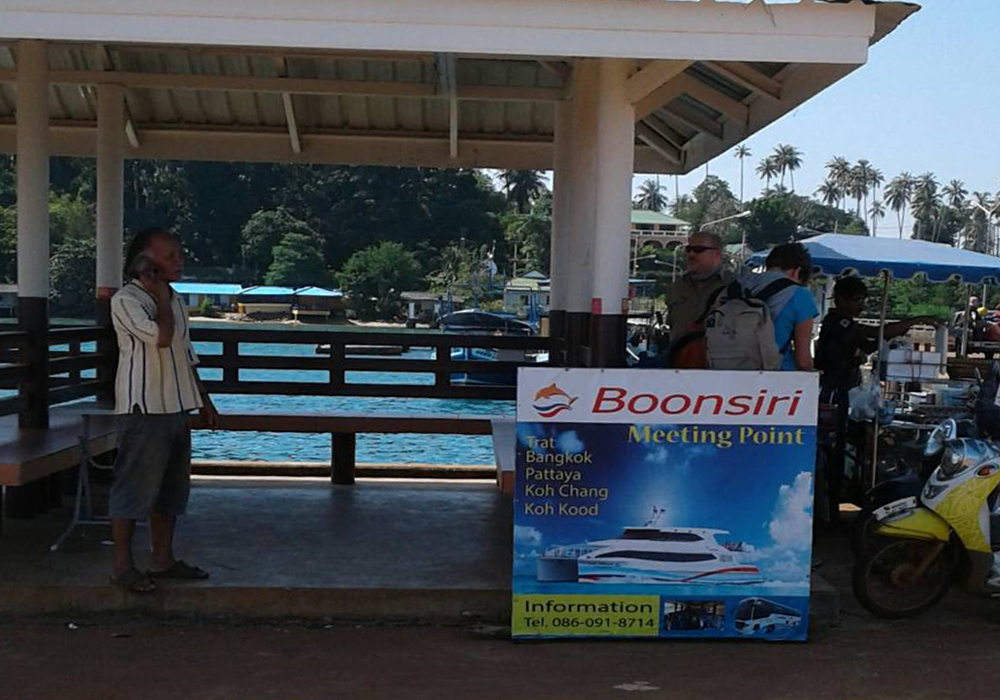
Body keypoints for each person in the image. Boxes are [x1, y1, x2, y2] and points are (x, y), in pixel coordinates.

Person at [108, 227, 218, 594]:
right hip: (144, 407)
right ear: (145, 260)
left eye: (179, 254)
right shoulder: (127, 300)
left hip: (177, 404)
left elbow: (186, 354)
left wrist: (203, 398)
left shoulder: (174, 298)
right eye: (169, 255)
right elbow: (161, 337)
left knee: (172, 490)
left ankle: (163, 560)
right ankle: (122, 567)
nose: (179, 261)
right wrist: (157, 294)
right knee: (133, 487)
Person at [814, 276, 938, 524]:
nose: (860, 305)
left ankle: (836, 505)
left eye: (863, 300)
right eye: (856, 300)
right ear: (840, 300)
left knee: (845, 450)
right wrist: (915, 320)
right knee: (832, 453)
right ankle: (830, 512)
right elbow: (873, 333)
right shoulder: (838, 323)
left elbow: (870, 342)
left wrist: (886, 341)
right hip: (834, 394)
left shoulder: (846, 325)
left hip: (845, 393)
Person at [739, 242, 817, 371]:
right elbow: (803, 361)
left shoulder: (738, 285)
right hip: (776, 374)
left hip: (726, 369)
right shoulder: (799, 295)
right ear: (797, 272)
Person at [664, 231, 734, 343]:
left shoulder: (733, 285)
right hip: (682, 352)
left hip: (720, 352)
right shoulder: (677, 286)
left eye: (698, 250)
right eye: (688, 249)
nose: (691, 255)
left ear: (716, 254)